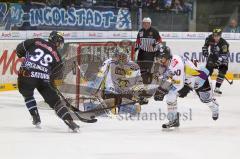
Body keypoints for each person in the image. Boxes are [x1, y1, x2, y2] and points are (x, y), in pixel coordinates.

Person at [16, 31, 79, 132]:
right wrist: (50, 82)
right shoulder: (57, 56)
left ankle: (35, 115)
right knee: (55, 102)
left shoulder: (36, 41)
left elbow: (19, 48)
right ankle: (70, 122)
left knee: (27, 95)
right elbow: (57, 75)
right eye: (60, 42)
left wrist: (22, 56)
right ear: (57, 41)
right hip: (43, 79)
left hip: (26, 74)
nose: (60, 45)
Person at [153, 46, 219, 129]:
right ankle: (173, 120)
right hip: (186, 81)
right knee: (170, 95)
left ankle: (215, 107)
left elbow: (178, 85)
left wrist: (162, 90)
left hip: (200, 78)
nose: (159, 61)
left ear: (167, 57)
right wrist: (161, 89)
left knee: (206, 100)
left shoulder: (177, 65)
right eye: (158, 58)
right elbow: (168, 78)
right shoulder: (166, 63)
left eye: (161, 58)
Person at [88, 47, 148, 116]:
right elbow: (100, 75)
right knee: (114, 109)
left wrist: (140, 94)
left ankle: (118, 109)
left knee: (134, 110)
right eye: (119, 55)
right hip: (112, 93)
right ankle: (114, 110)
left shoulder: (134, 66)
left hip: (123, 94)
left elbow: (139, 82)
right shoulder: (109, 62)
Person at [135, 17, 162, 86]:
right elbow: (138, 41)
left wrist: (153, 44)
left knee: (149, 68)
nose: (145, 24)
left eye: (147, 23)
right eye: (144, 23)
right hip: (142, 52)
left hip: (151, 52)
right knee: (140, 67)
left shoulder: (154, 31)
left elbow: (159, 40)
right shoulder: (140, 31)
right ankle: (142, 81)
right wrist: (135, 49)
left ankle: (149, 82)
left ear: (150, 24)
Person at [202, 28, 230, 95]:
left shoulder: (224, 44)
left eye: (217, 36)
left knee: (223, 70)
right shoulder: (209, 38)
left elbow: (224, 55)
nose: (215, 37)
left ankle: (217, 88)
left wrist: (218, 63)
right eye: (214, 35)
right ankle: (204, 86)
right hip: (212, 56)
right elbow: (205, 46)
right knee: (207, 71)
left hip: (223, 58)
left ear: (220, 35)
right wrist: (205, 51)